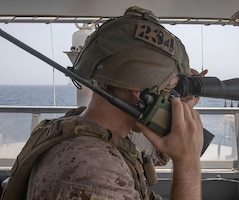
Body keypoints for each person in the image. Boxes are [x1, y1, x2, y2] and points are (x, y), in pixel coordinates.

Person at [1, 6, 204, 200]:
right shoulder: (92, 173)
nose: (173, 97)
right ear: (140, 92)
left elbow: (157, 152)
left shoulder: (99, 129)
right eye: (170, 89)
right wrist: (188, 166)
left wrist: (181, 111)